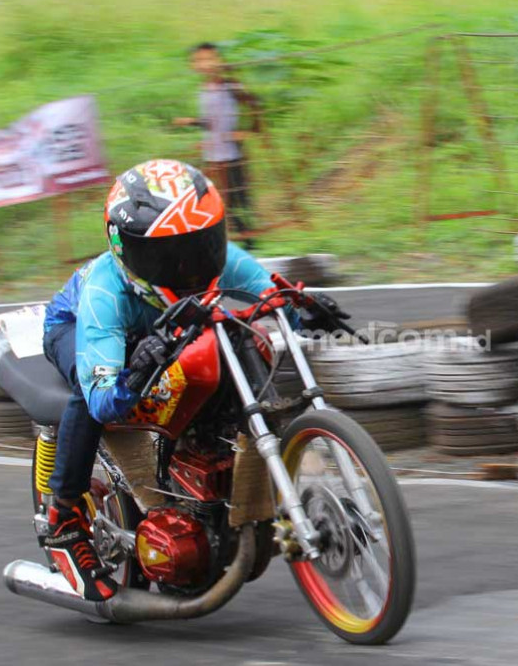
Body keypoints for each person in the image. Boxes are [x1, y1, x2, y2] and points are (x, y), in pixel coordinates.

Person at [39, 159, 345, 600]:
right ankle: (63, 519)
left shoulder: (221, 263)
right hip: (81, 329)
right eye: (169, 256)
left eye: (202, 246)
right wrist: (137, 367)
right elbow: (105, 398)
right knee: (87, 398)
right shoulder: (105, 292)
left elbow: (274, 299)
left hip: (171, 326)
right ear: (127, 250)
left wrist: (307, 310)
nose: (191, 267)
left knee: (239, 344)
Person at [173, 43, 260, 249]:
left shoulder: (230, 86)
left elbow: (255, 104)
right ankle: (229, 239)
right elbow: (211, 121)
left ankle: (249, 240)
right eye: (199, 60)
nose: (205, 64)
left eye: (210, 59)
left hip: (232, 153)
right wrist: (192, 122)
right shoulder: (204, 90)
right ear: (193, 65)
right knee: (217, 197)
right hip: (213, 153)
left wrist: (247, 131)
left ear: (220, 60)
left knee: (239, 196)